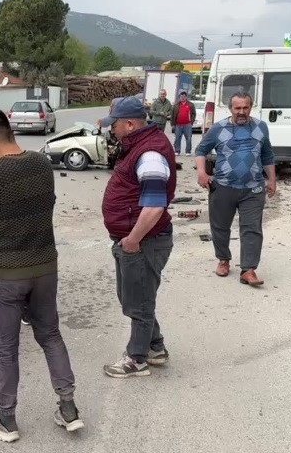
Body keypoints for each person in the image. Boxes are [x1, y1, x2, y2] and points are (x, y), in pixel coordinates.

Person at [0, 108, 83, 442]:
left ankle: (6, 419)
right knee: (51, 336)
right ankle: (69, 409)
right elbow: (42, 204)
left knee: (6, 348)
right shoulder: (42, 164)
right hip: (44, 268)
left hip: (7, 275)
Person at [99, 96, 176, 378]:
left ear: (129, 124)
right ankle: (155, 347)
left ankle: (137, 359)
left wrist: (133, 239)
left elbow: (155, 205)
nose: (113, 130)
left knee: (139, 301)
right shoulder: (139, 146)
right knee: (133, 297)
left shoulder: (150, 153)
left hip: (143, 241)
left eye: (115, 125)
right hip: (133, 239)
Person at [194, 92, 276, 286]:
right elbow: (200, 150)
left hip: (253, 189)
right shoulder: (218, 128)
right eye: (237, 108)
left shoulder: (260, 127)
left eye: (245, 107)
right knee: (220, 227)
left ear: (251, 107)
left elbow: (267, 155)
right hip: (223, 187)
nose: (241, 112)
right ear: (230, 108)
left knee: (252, 229)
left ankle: (248, 269)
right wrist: (201, 173)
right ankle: (223, 259)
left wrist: (272, 179)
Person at [170, 91, 196, 155]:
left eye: (184, 96)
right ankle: (177, 151)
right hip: (178, 125)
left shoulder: (190, 105)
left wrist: (191, 122)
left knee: (189, 138)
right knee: (177, 138)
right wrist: (172, 124)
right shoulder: (176, 105)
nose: (182, 98)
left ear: (186, 97)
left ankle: (188, 151)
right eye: (181, 97)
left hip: (187, 125)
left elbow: (194, 114)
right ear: (179, 97)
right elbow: (172, 115)